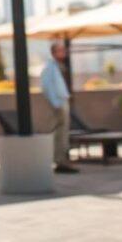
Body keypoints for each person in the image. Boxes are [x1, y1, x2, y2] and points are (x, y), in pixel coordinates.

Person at [40, 42, 78, 174]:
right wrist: (56, 103)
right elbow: (47, 86)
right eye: (60, 50)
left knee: (63, 133)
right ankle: (60, 161)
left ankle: (63, 160)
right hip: (58, 104)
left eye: (64, 50)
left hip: (62, 102)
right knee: (60, 133)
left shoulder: (58, 67)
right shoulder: (50, 68)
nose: (64, 52)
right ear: (54, 52)